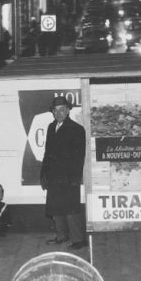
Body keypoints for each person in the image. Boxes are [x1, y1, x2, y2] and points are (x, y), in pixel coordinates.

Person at [40, 96, 87, 250]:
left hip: (68, 177)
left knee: (70, 209)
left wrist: (75, 178)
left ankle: (78, 240)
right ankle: (62, 236)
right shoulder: (50, 127)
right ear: (52, 112)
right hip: (53, 176)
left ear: (68, 111)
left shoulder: (77, 129)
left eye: (62, 110)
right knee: (55, 208)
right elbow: (47, 153)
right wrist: (44, 174)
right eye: (56, 110)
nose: (59, 113)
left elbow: (79, 156)